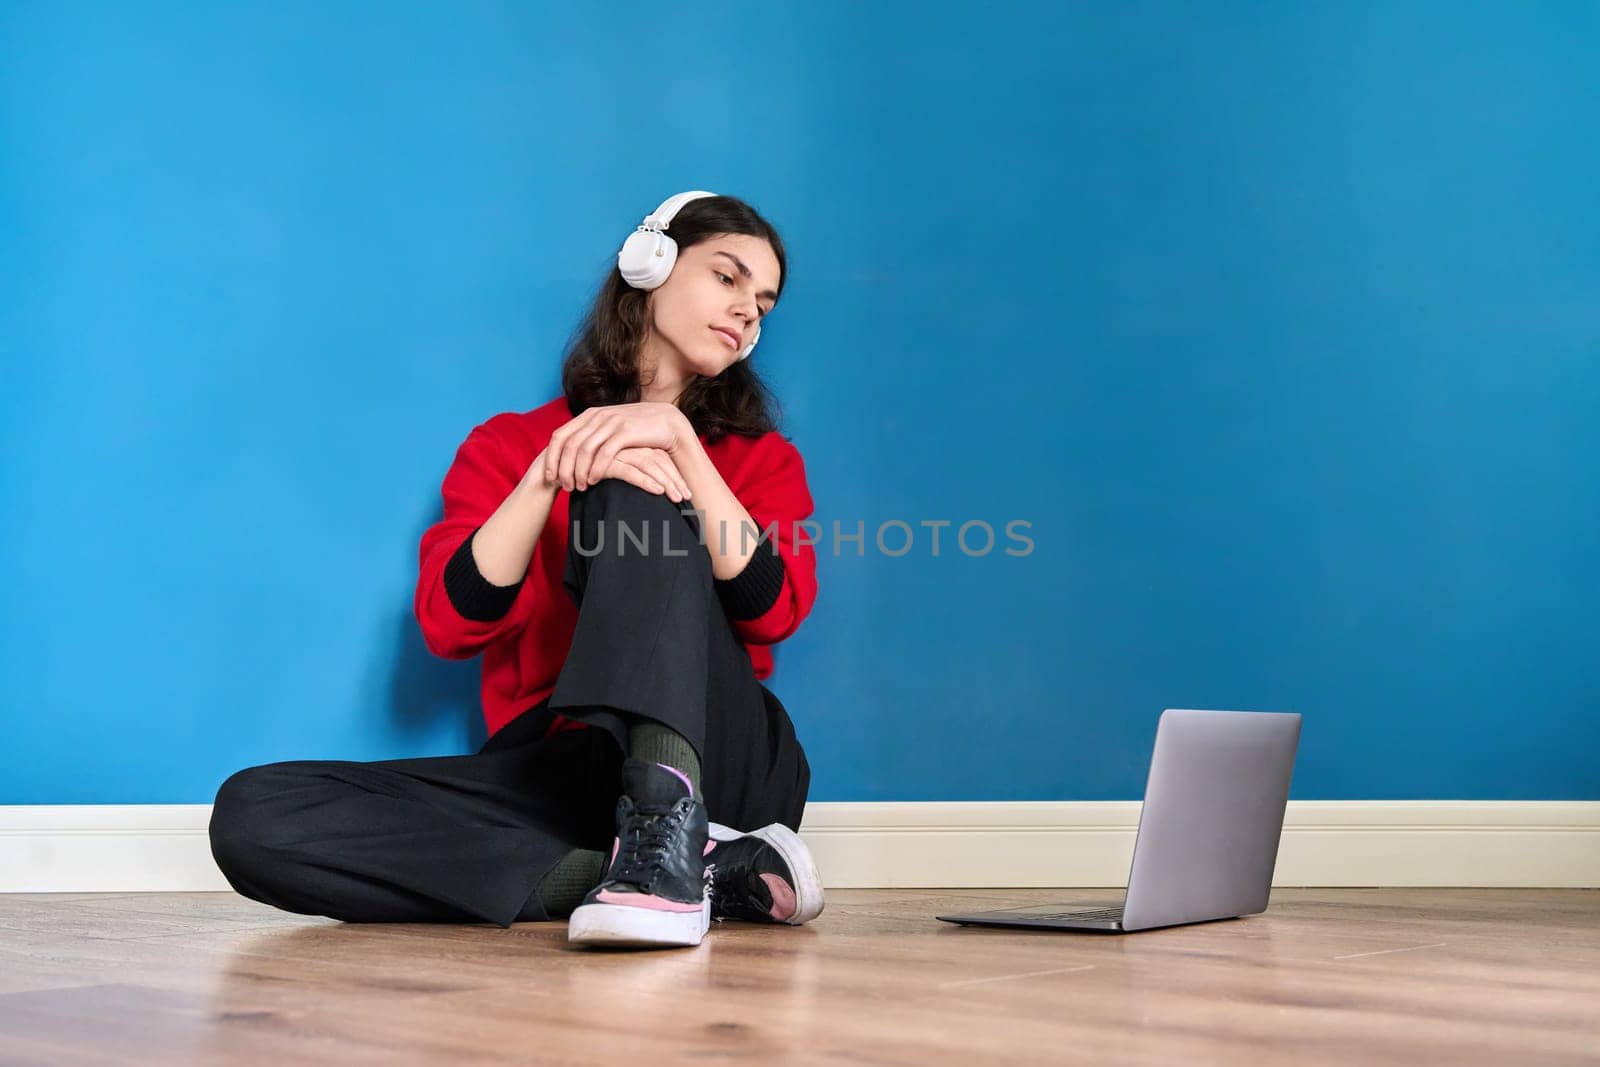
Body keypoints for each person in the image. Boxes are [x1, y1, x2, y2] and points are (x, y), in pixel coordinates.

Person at [208, 191, 824, 949]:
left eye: (763, 303)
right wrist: (546, 475)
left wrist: (677, 443)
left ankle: (669, 817)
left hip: (727, 760)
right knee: (253, 816)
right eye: (728, 278)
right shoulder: (510, 446)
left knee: (628, 474)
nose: (747, 313)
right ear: (651, 264)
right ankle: (672, 873)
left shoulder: (760, 462)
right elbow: (450, 623)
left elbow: (775, 609)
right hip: (562, 774)